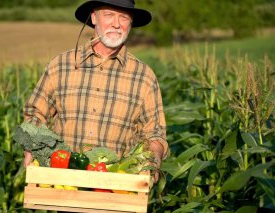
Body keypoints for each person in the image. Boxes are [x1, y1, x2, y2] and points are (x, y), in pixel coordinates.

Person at [22, 0, 168, 182]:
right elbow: (36, 113)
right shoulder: (61, 66)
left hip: (117, 188)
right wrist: (32, 146)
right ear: (93, 17)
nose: (116, 23)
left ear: (130, 23)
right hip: (64, 183)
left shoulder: (144, 77)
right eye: (109, 15)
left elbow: (154, 133)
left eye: (123, 17)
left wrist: (153, 157)